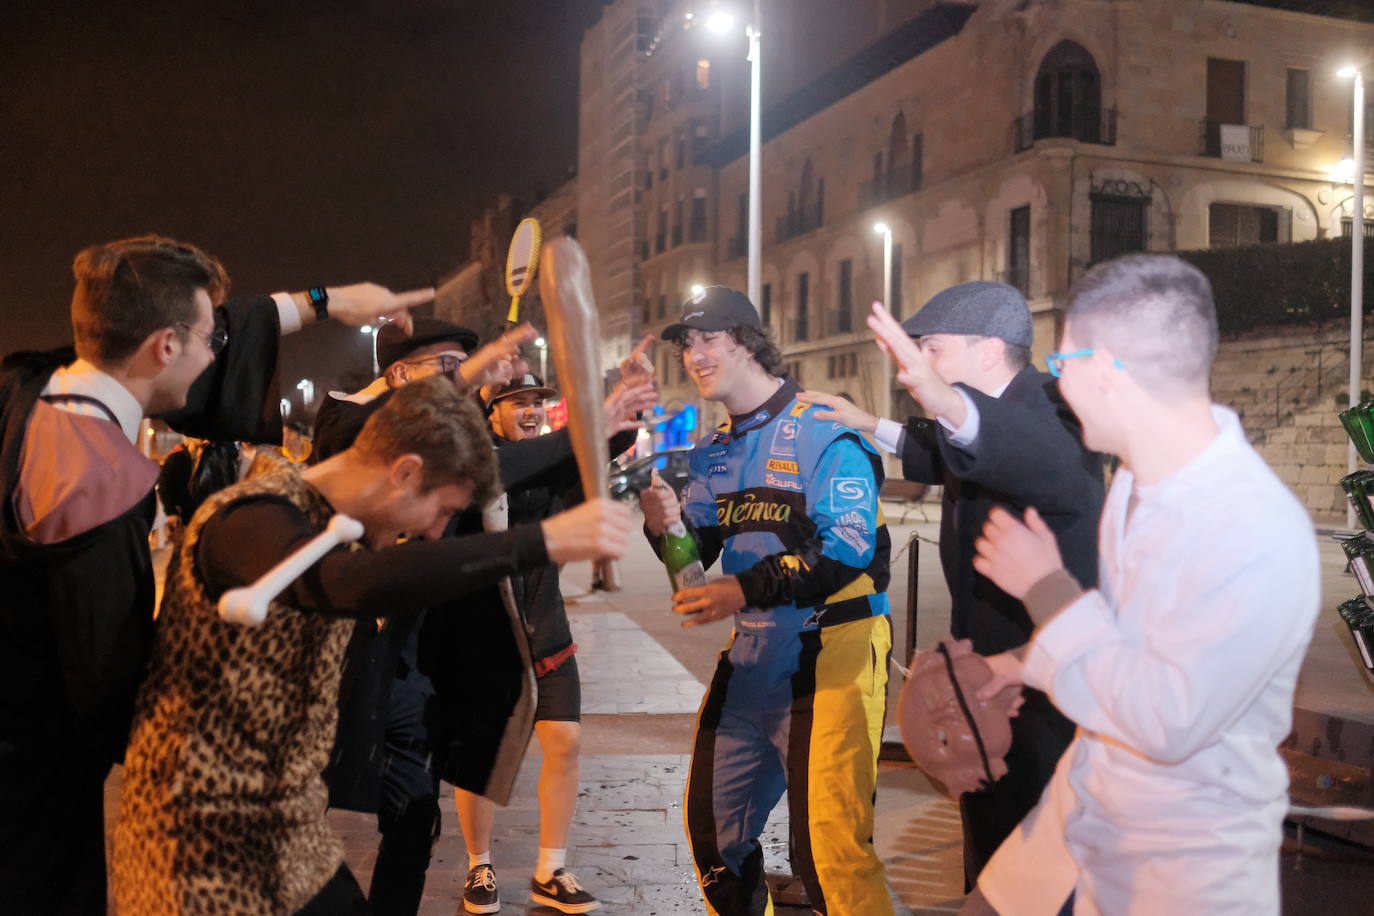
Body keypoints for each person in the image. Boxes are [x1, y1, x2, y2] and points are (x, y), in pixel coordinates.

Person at [0, 233, 424, 914]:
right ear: (164, 346)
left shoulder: (32, 386)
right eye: (206, 339)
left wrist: (325, 301)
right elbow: (107, 688)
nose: (216, 353)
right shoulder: (91, 483)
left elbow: (212, 320)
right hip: (30, 795)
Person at [112, 376, 634, 915]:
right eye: (440, 509)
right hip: (200, 846)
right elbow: (348, 582)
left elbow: (501, 473)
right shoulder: (255, 516)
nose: (437, 531)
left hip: (289, 831)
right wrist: (539, 542)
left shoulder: (336, 519)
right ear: (404, 472)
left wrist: (597, 429)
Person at [960, 255, 1320, 916]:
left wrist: (1046, 590)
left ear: (1104, 370)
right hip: (1087, 810)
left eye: (1061, 367)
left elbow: (1165, 719)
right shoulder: (1133, 484)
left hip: (1184, 870)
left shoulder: (1255, 528)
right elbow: (1127, 642)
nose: (1056, 388)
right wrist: (1017, 666)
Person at [811, 282, 1103, 886]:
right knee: (990, 839)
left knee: (1035, 850)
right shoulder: (982, 416)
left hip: (1046, 685)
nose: (920, 363)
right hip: (990, 673)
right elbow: (946, 453)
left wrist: (944, 400)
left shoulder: (1050, 410)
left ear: (990, 350)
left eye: (934, 348)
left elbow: (1001, 445)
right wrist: (870, 423)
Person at [640, 286, 895, 916]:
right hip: (752, 656)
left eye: (709, 338)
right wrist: (664, 527)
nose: (694, 355)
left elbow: (846, 549)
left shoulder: (824, 427)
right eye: (686, 345)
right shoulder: (713, 453)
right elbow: (692, 574)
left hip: (835, 648)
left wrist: (742, 587)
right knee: (715, 838)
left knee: (828, 848)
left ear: (749, 341)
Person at [456, 360, 652, 916]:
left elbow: (607, 443)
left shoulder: (549, 467)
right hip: (483, 640)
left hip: (547, 632)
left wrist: (626, 397)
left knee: (565, 743)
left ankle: (551, 869)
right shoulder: (470, 460)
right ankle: (480, 864)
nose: (532, 410)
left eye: (538, 401)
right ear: (489, 410)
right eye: (518, 402)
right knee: (482, 758)